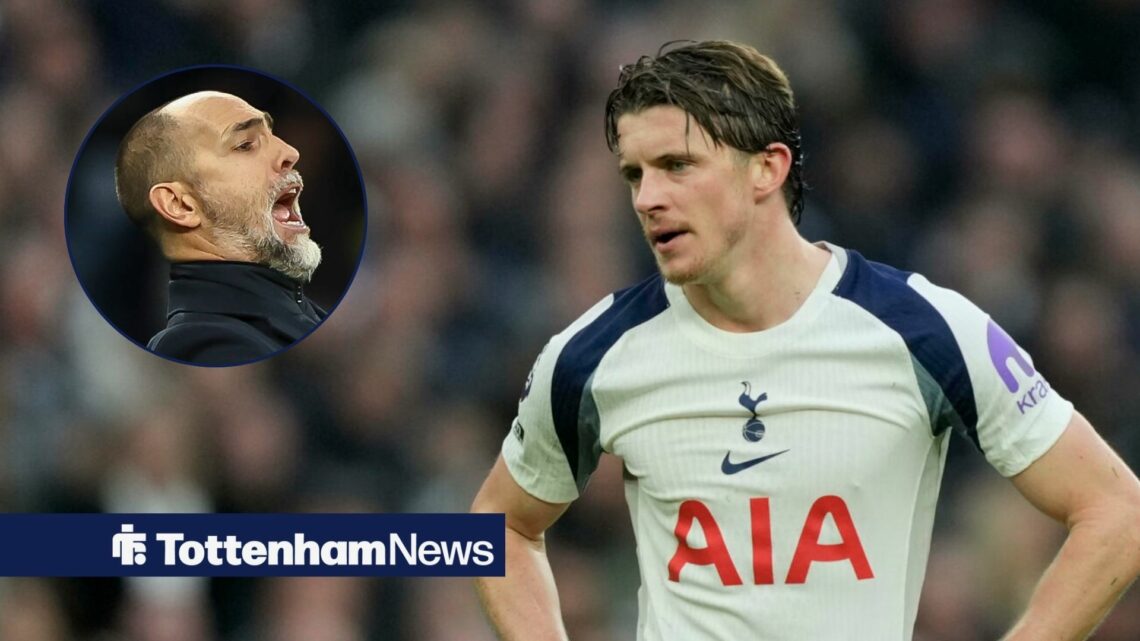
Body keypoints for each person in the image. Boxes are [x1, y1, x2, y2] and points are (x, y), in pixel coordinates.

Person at [471, 40, 1140, 640]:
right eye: (634, 174)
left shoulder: (923, 328)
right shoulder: (593, 354)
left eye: (677, 165)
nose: (648, 197)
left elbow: (1116, 510)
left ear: (767, 168)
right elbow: (498, 525)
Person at [114, 90, 325, 366]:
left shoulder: (294, 313)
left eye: (271, 135)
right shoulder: (204, 343)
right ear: (180, 205)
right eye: (245, 145)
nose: (290, 152)